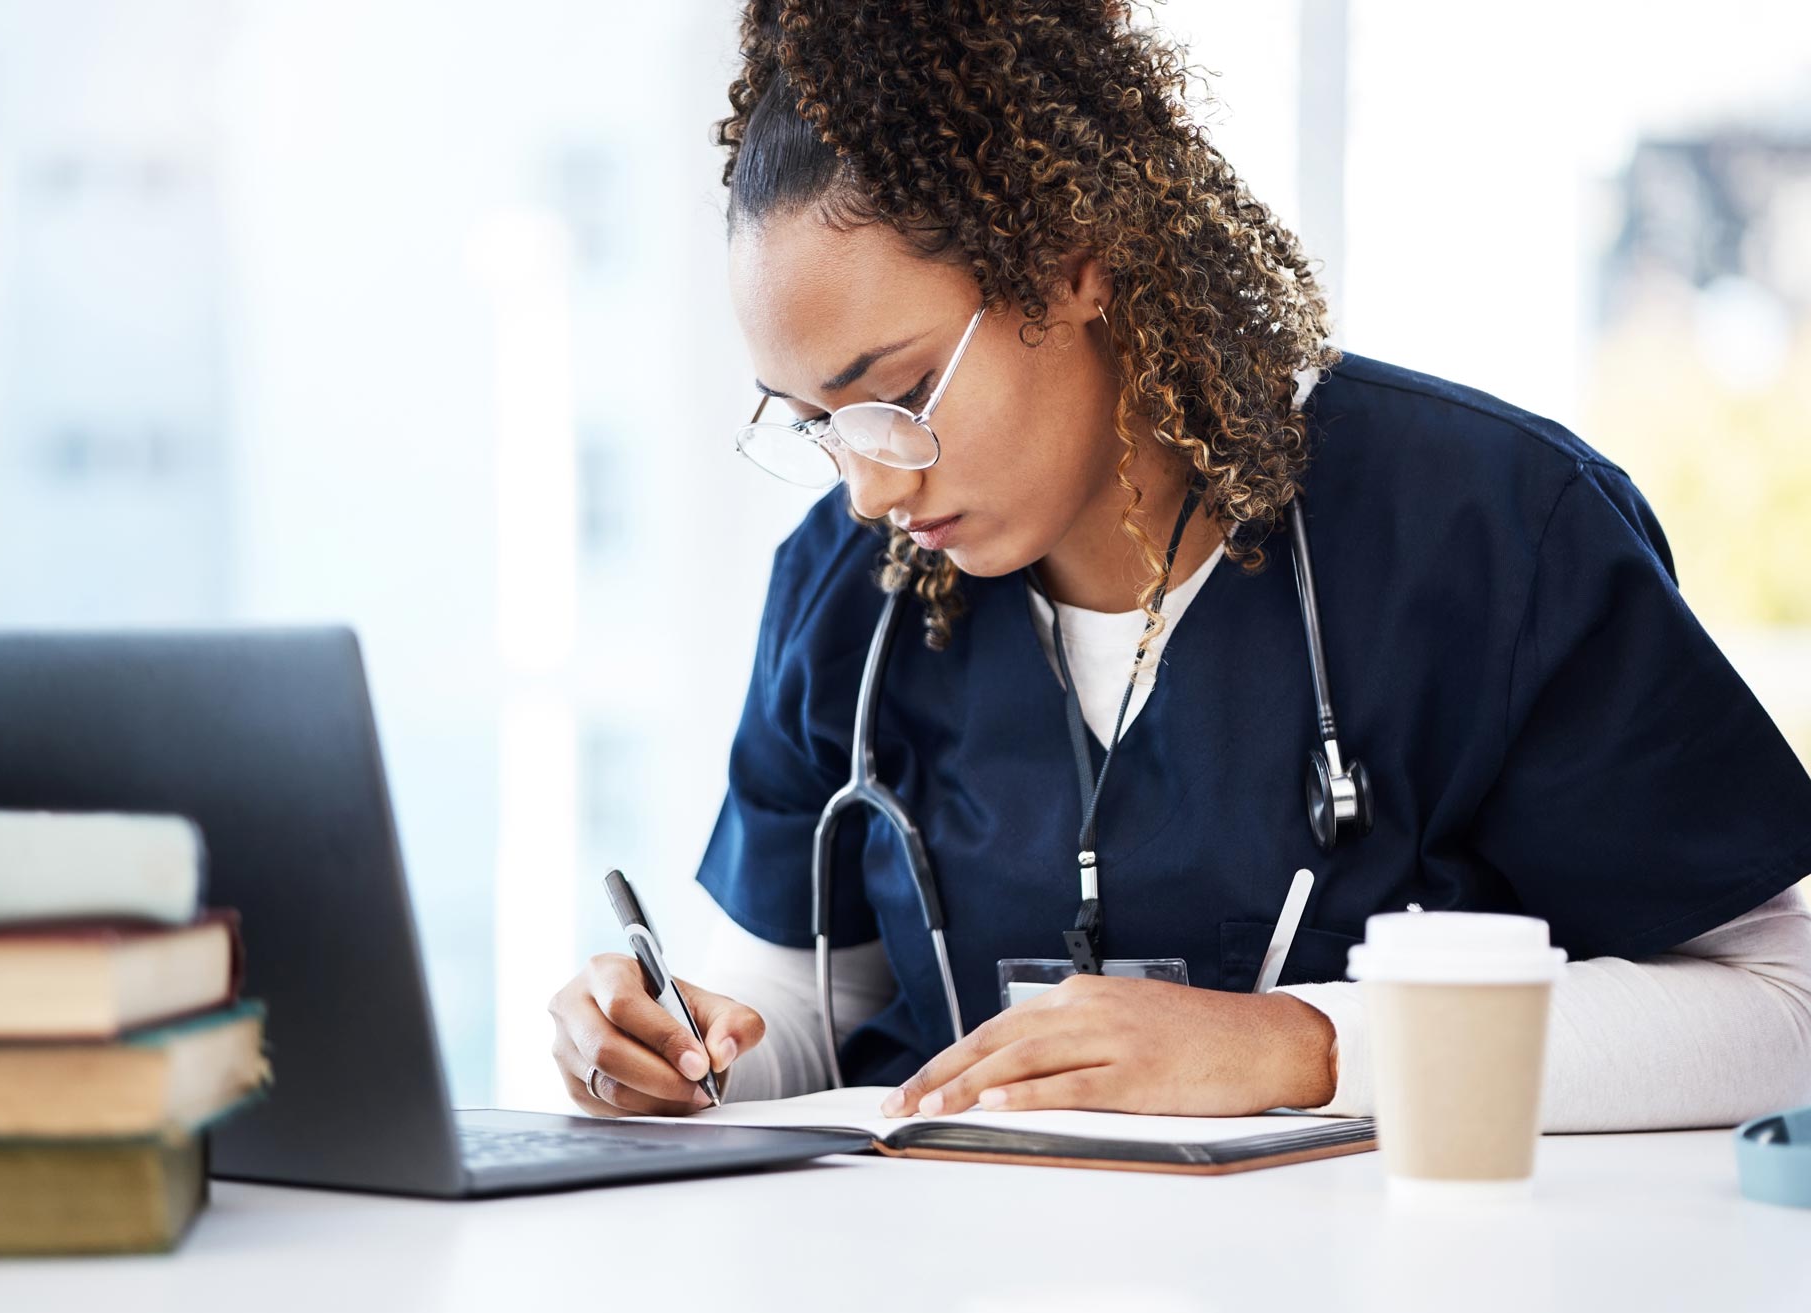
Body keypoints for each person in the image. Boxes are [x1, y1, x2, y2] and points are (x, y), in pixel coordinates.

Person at [548, 0, 1811, 1129]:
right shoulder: (843, 591)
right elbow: (800, 1007)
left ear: (1075, 254)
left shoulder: (1487, 531)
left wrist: (1300, 1047)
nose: (870, 485)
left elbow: (1780, 1009)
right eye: (813, 422)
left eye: (894, 392)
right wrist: (675, 1046)